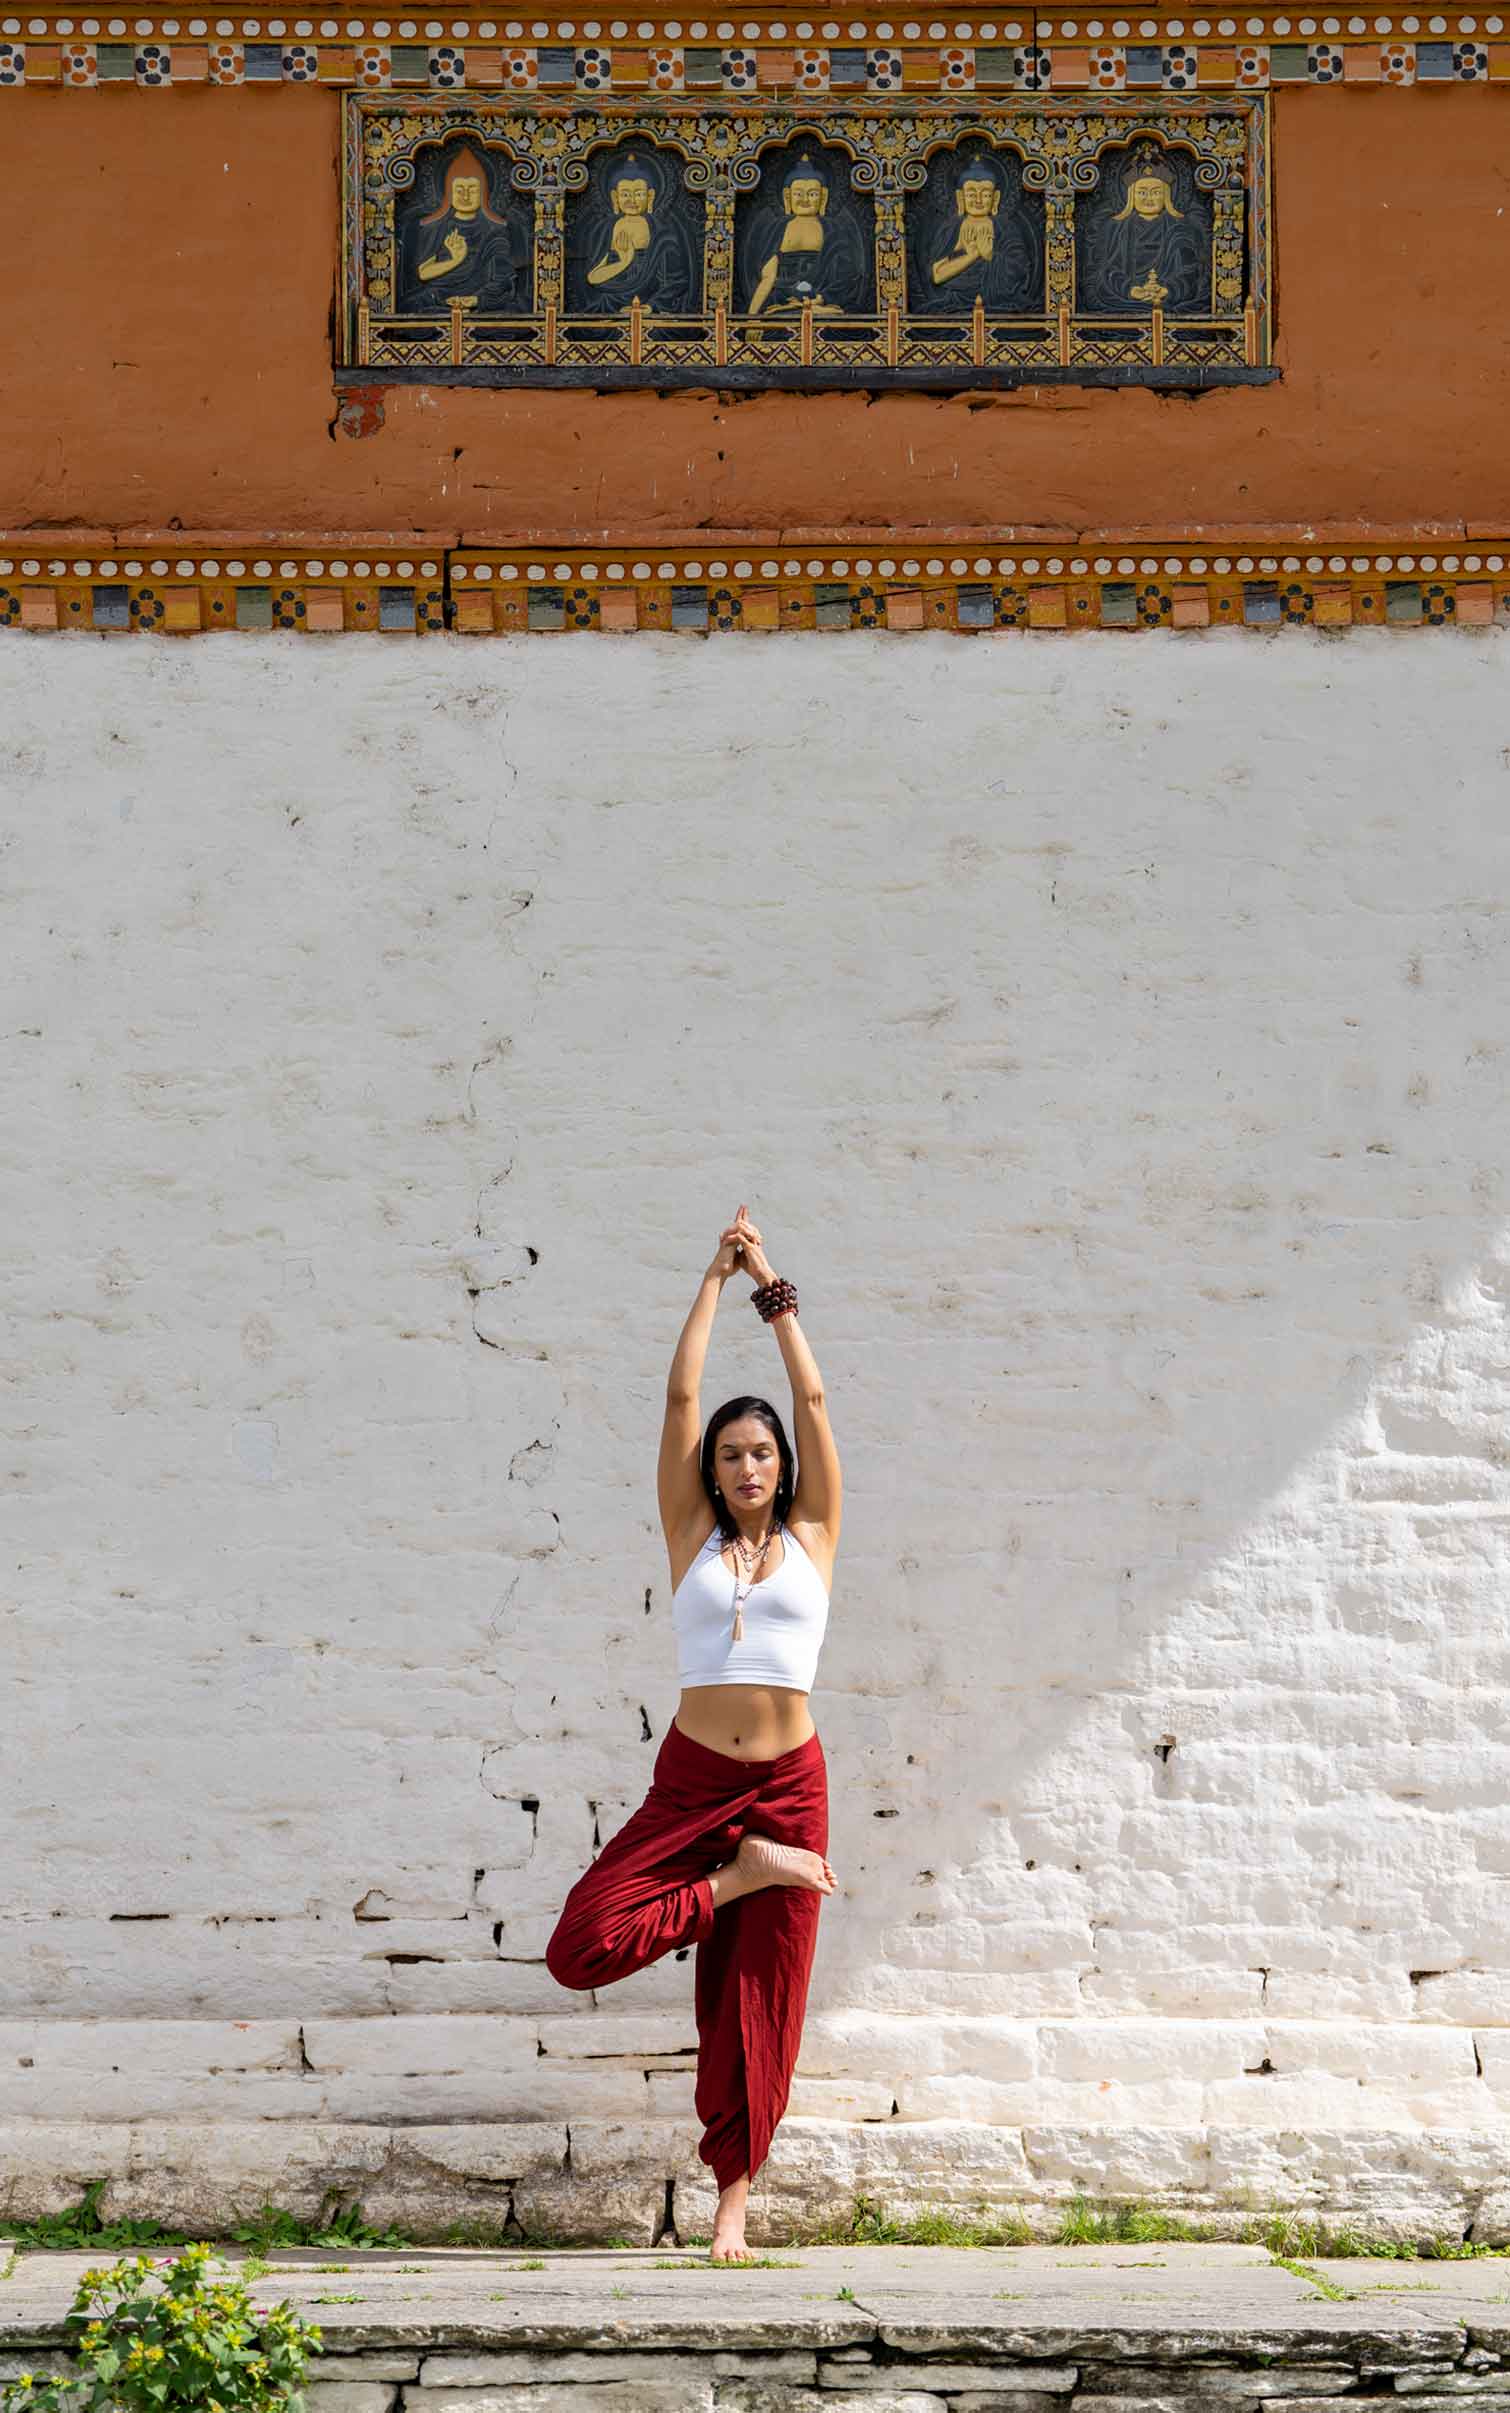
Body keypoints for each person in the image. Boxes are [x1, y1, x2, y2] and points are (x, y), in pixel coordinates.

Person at [545, 1203, 842, 2266]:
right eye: (731, 1454)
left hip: (789, 1787)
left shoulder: (815, 1533)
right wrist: (711, 1281)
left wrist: (777, 1292)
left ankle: (733, 2200)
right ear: (712, 1471)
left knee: (758, 2000)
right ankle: (733, 1882)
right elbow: (678, 1395)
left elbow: (810, 1395)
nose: (750, 1466)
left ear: (780, 1465)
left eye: (762, 1452)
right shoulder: (690, 1538)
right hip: (694, 1782)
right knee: (578, 1942)